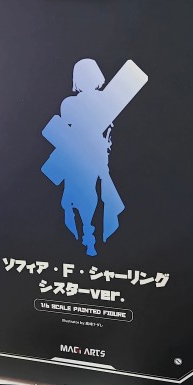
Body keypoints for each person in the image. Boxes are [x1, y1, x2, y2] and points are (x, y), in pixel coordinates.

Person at [42, 58, 125, 256]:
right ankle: (88, 237)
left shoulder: (70, 103)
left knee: (81, 195)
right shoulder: (102, 101)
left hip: (84, 154)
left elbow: (68, 129)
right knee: (82, 194)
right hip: (87, 154)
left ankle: (88, 236)